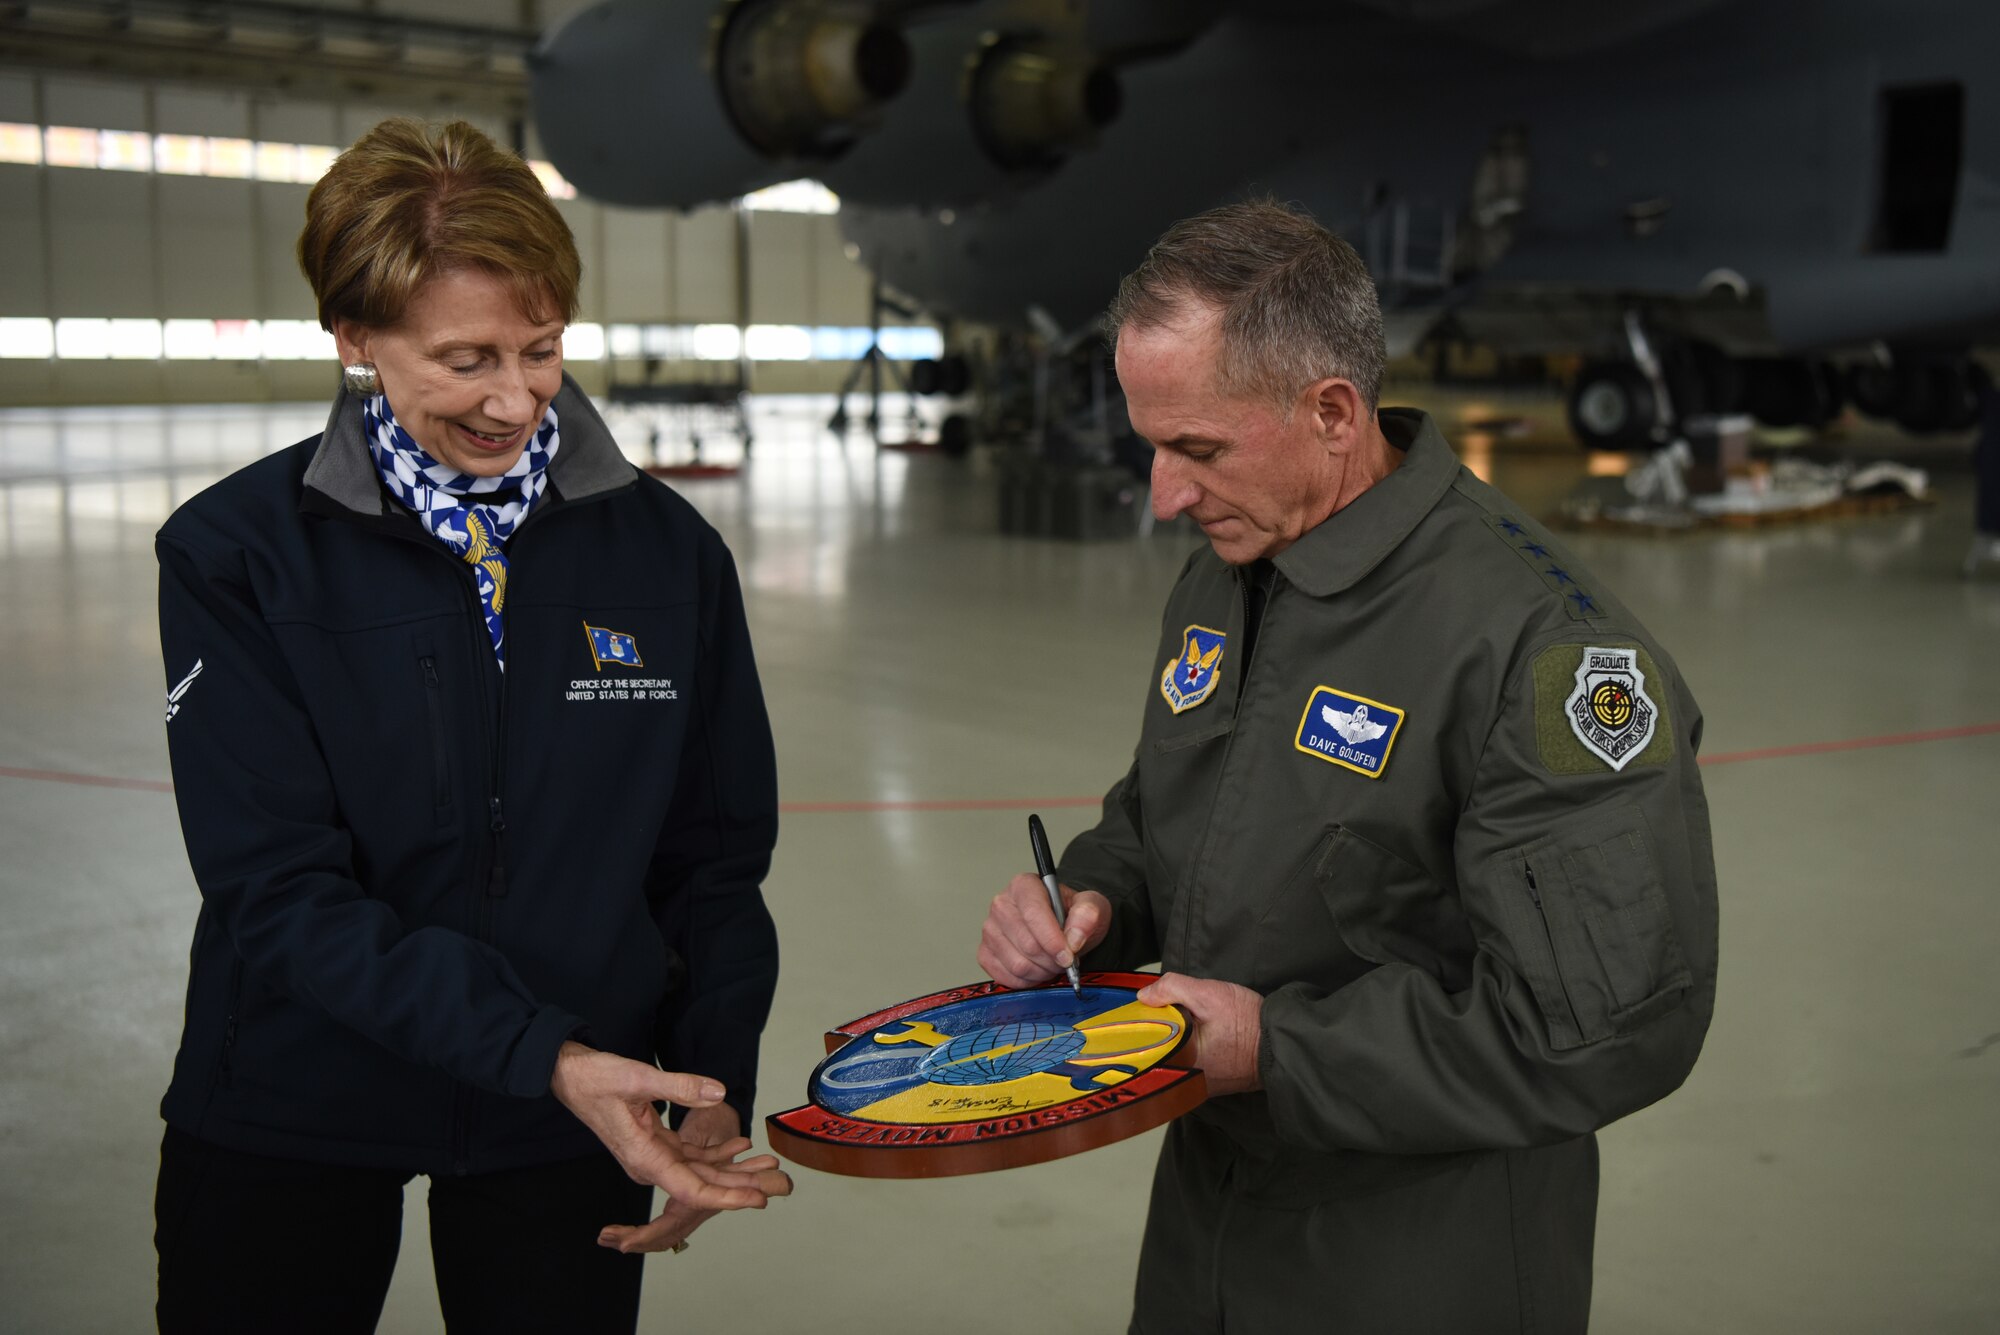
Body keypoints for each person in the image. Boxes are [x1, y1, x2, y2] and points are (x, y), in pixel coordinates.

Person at [977, 201, 1718, 1333]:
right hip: (1208, 1221)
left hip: (1422, 1249)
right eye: (1150, 445)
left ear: (1330, 412)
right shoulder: (1231, 566)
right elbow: (1165, 803)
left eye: (1197, 449)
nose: (1163, 496)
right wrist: (1090, 901)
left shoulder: (1540, 651)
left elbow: (1598, 1036)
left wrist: (1278, 1049)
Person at [151, 118, 789, 1334]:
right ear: (354, 337)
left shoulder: (668, 554)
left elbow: (710, 860)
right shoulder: (237, 554)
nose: (515, 399)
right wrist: (535, 1048)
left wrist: (709, 1085)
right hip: (299, 1092)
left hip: (575, 1114)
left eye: (541, 349)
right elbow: (275, 885)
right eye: (464, 359)